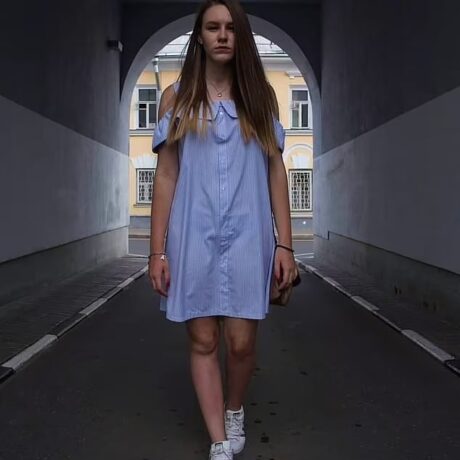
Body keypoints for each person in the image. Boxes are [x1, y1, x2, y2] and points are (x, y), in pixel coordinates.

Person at [148, 0, 298, 458]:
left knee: (240, 343)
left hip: (249, 233)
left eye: (231, 28)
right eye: (212, 27)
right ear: (200, 36)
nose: (222, 35)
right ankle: (219, 440)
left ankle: (235, 408)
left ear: (241, 36)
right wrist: (157, 252)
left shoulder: (260, 97)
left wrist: (285, 245)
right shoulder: (175, 97)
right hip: (192, 234)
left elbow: (275, 170)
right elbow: (166, 174)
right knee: (203, 338)